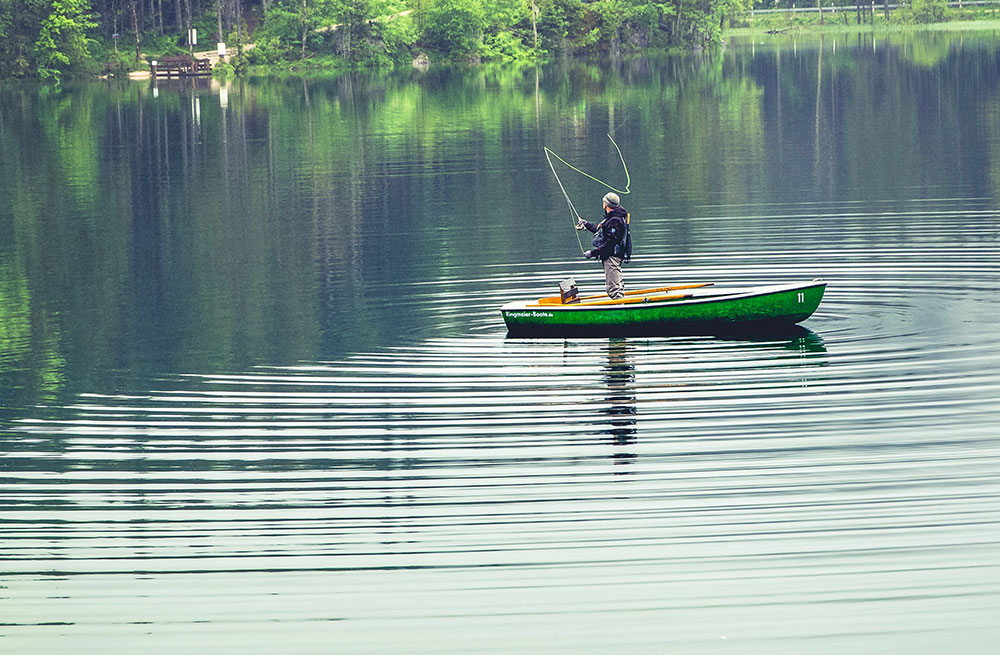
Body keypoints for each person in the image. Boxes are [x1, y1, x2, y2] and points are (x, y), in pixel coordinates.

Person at [576, 192, 629, 300]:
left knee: (614, 290)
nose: (603, 203)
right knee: (616, 286)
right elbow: (599, 230)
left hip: (612, 257)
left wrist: (592, 253)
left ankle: (620, 312)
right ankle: (620, 308)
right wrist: (585, 224)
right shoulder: (612, 218)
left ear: (607, 204)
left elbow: (609, 244)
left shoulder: (615, 220)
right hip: (612, 256)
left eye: (604, 201)